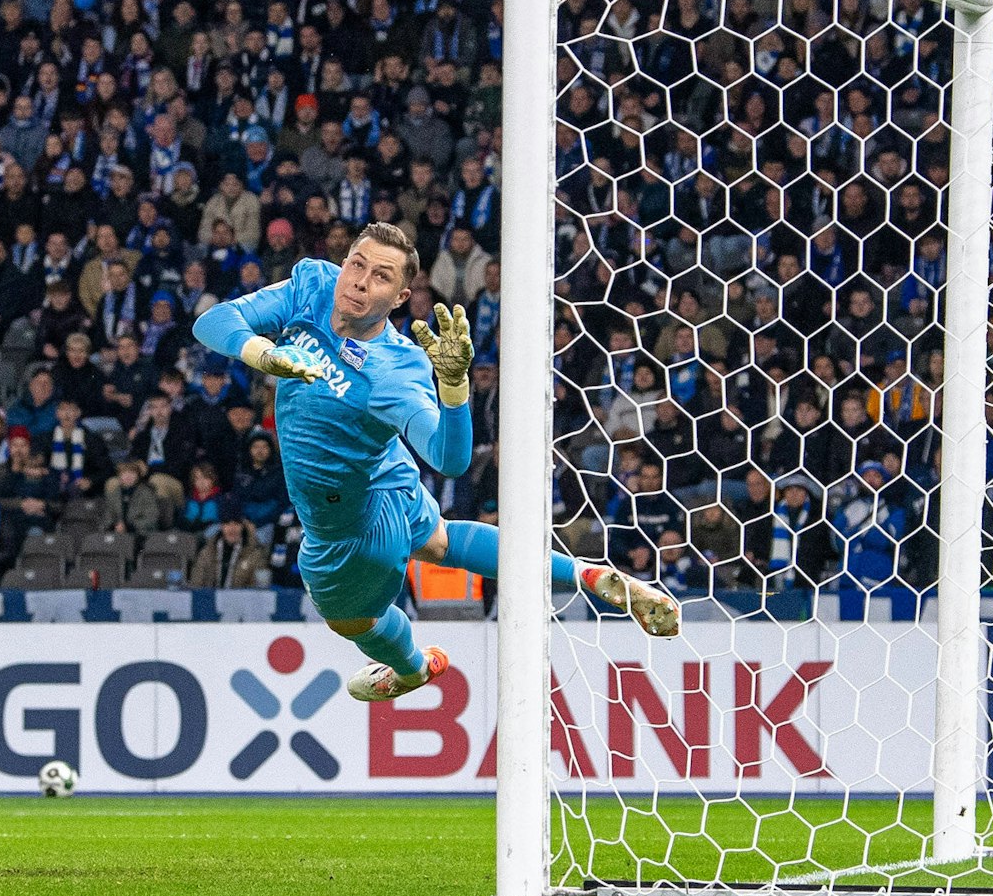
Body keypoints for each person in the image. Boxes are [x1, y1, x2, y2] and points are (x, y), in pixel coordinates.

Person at [192, 220, 680, 702]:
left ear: (402, 297)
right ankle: (584, 575)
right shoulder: (313, 286)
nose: (360, 281)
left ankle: (411, 668)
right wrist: (263, 355)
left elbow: (450, 459)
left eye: (381, 276)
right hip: (387, 477)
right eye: (356, 265)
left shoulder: (397, 370)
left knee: (349, 619)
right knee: (440, 539)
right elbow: (211, 322)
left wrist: (453, 387)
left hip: (346, 527)